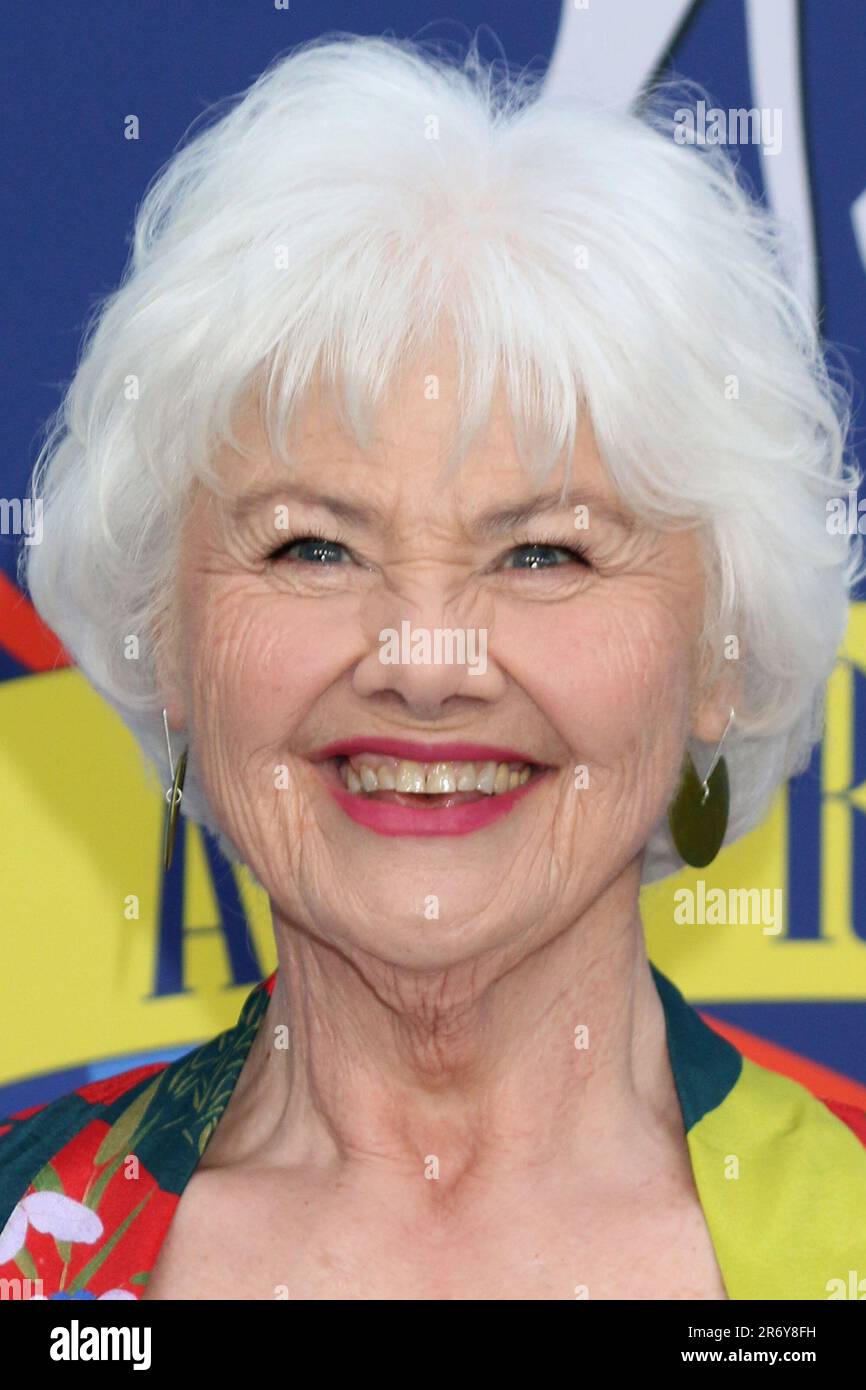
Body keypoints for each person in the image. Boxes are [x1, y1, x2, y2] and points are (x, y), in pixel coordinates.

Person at [2, 33, 864, 1301]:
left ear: (715, 653)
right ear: (165, 637)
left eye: (540, 556)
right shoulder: (31, 1245)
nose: (423, 660)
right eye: (312, 546)